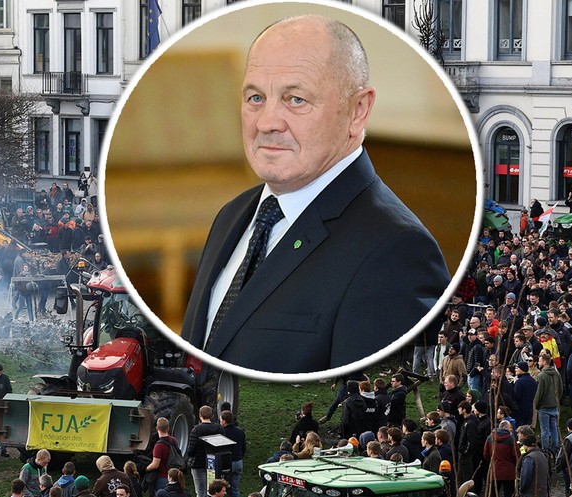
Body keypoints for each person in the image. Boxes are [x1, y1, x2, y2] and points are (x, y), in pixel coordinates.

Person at [178, 15, 449, 373]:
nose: (266, 122)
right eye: (255, 97)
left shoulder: (396, 252)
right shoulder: (232, 215)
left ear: (358, 111)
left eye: (296, 99)